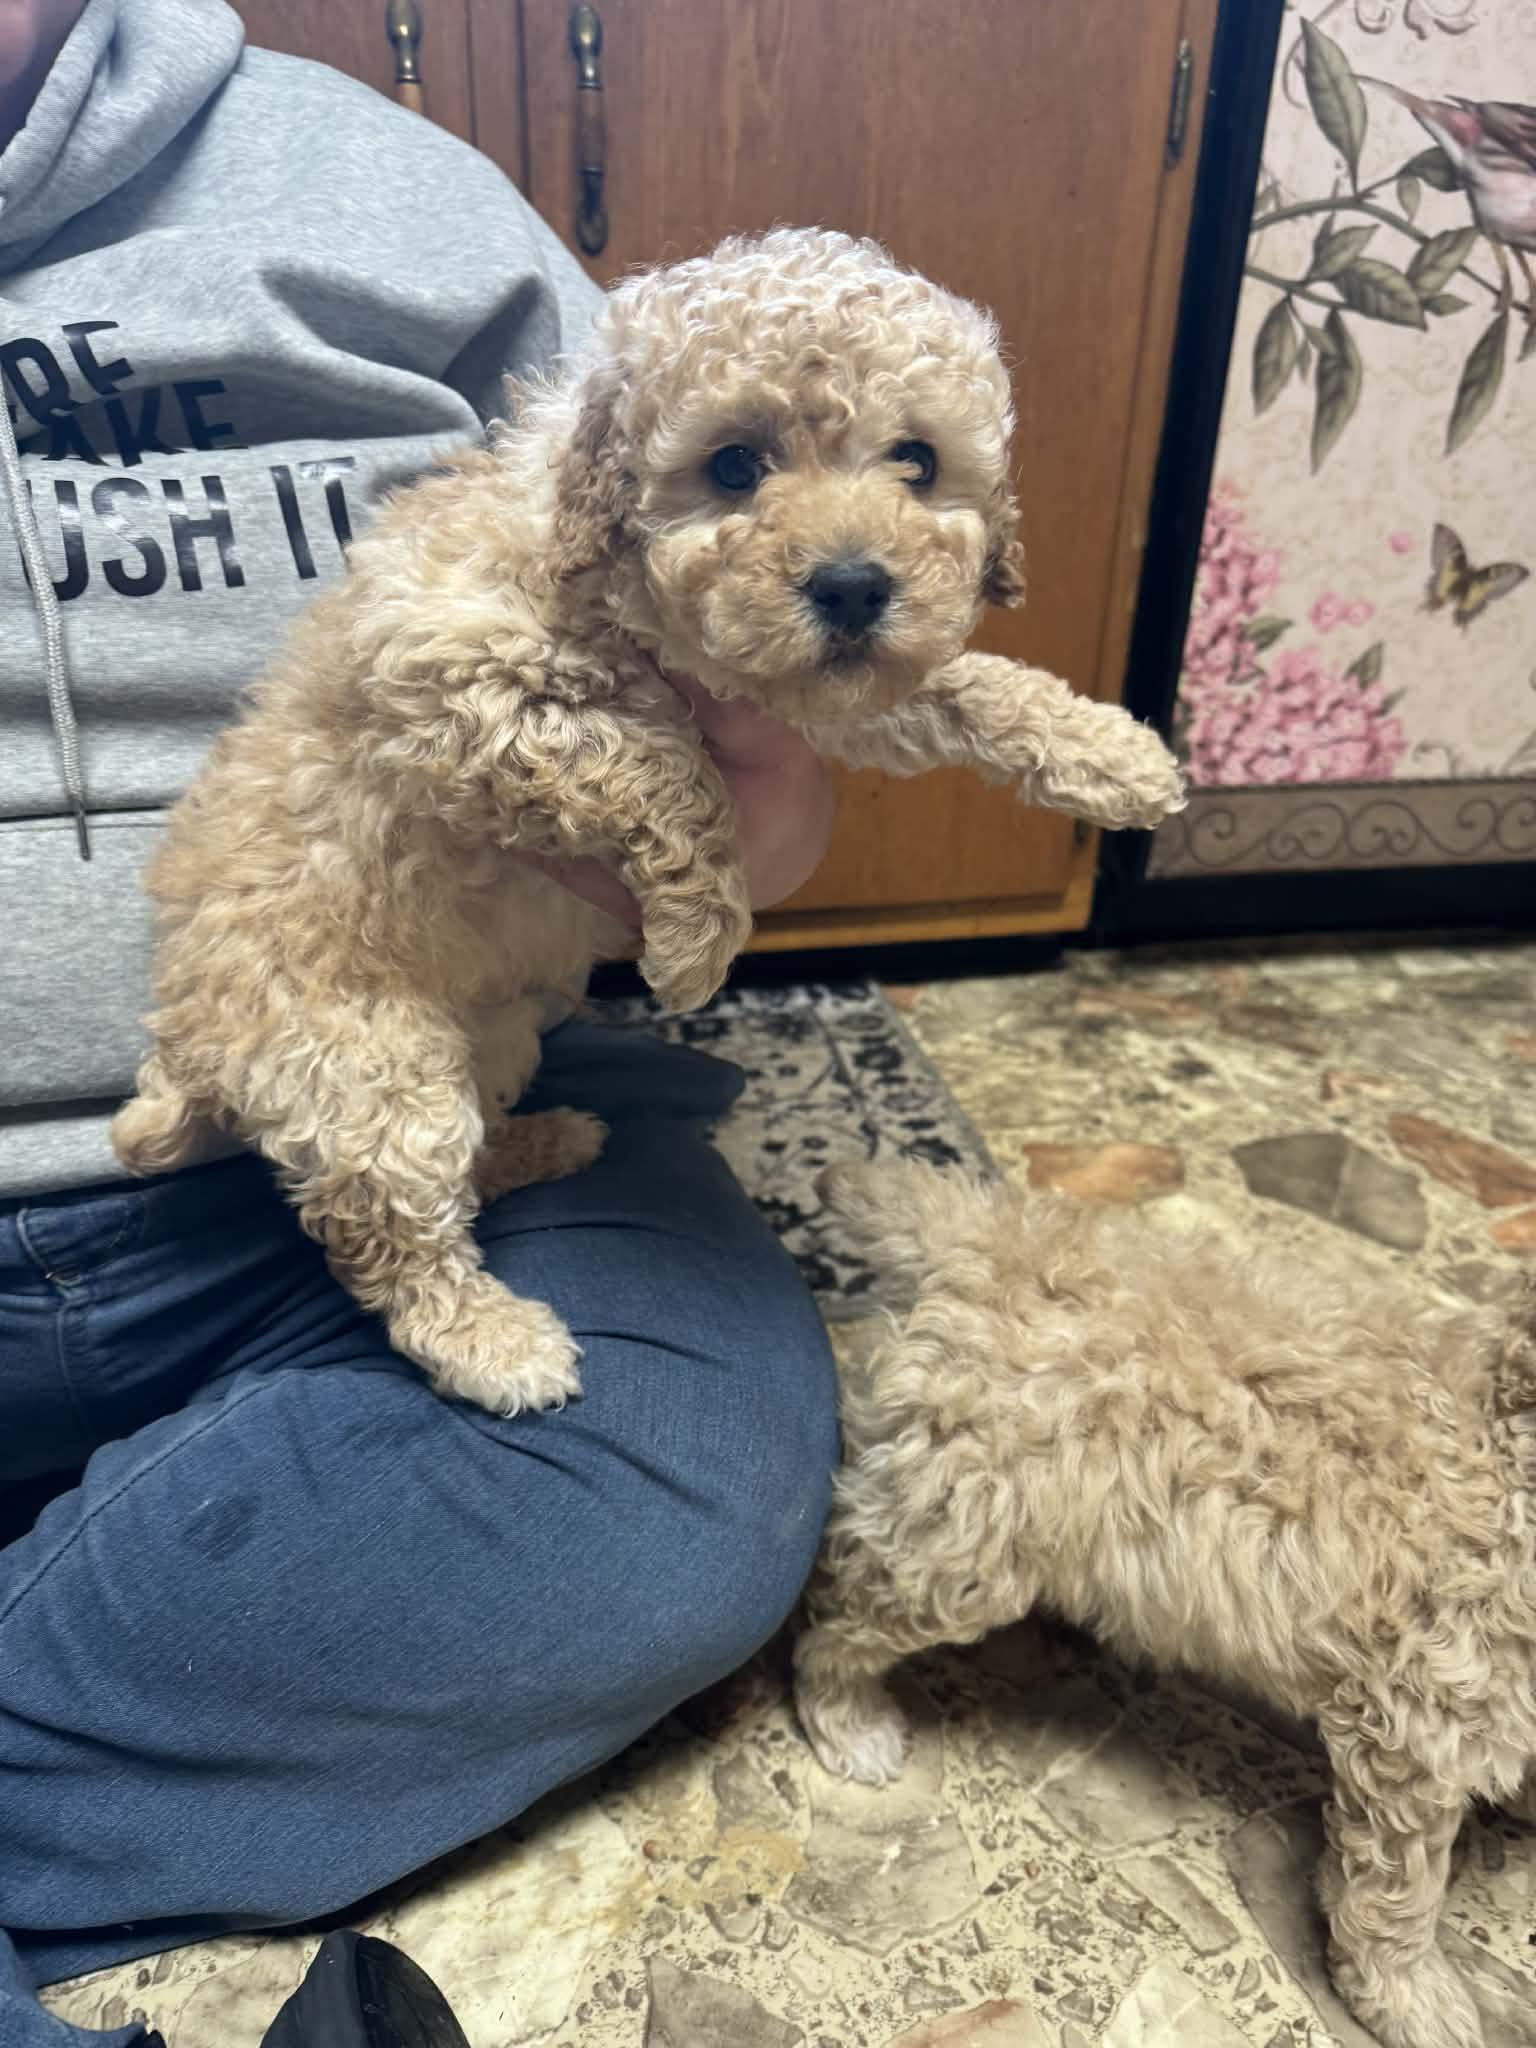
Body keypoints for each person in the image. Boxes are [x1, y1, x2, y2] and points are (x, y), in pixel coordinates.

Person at [0, 4, 841, 2043]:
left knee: (693, 1455)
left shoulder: (405, 215)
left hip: (443, 1115)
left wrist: (754, 787)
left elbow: (771, 811)